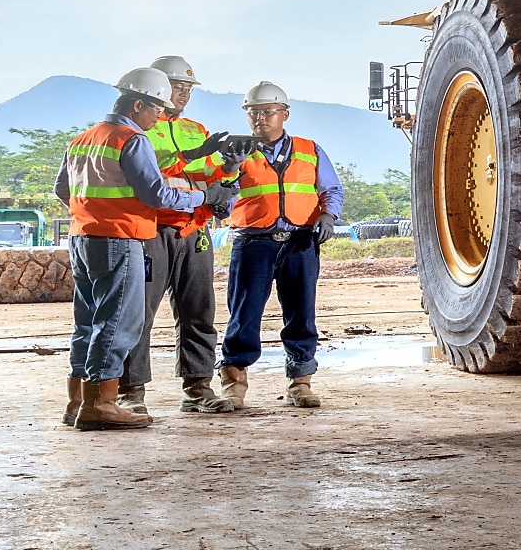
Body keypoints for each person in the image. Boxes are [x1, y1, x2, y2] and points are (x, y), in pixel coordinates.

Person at [54, 67, 238, 431]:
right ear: (138, 104)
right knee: (120, 322)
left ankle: (77, 402)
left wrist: (94, 212)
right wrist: (205, 196)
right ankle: (103, 404)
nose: (160, 115)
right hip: (121, 239)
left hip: (83, 238)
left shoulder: (82, 139)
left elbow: (63, 190)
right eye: (156, 107)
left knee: (87, 323)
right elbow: (156, 193)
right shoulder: (131, 138)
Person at [116, 55, 237, 416]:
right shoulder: (138, 128)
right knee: (139, 314)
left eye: (187, 88)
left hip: (194, 230)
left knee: (199, 312)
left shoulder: (196, 129)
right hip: (150, 230)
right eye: (176, 87)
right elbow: (152, 173)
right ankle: (131, 393)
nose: (183, 93)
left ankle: (198, 387)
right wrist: (191, 155)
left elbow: (210, 177)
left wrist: (229, 170)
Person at [216, 80, 343, 409]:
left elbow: (331, 189)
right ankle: (234, 383)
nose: (260, 118)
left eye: (267, 111)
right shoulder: (237, 152)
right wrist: (228, 168)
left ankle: (300, 382)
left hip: (300, 242)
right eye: (253, 112)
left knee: (301, 313)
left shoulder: (309, 149)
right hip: (253, 243)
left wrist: (328, 216)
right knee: (244, 314)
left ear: (284, 114)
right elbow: (221, 198)